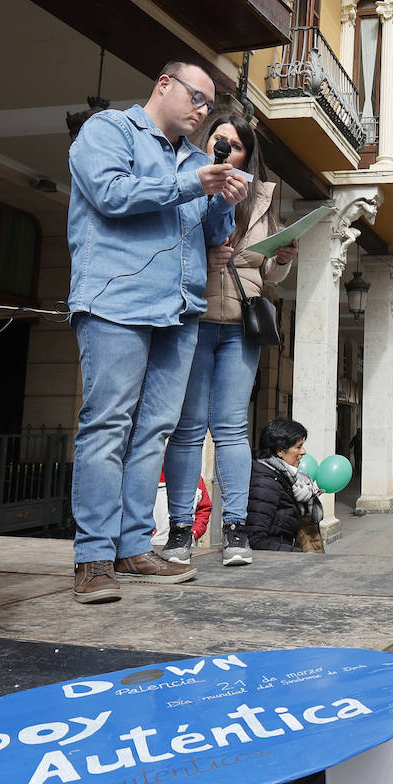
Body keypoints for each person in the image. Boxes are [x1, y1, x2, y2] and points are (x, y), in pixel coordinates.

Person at [66, 60, 247, 603]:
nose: (202, 111)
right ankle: (94, 558)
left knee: (154, 432)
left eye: (209, 107)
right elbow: (111, 194)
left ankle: (133, 546)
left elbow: (213, 238)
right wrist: (193, 183)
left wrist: (223, 202)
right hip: (116, 300)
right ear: (163, 84)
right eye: (197, 97)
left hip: (180, 309)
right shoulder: (109, 131)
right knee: (108, 425)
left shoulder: (197, 160)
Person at [162, 111, 298, 568]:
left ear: (246, 155)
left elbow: (270, 276)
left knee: (231, 427)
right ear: (206, 143)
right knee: (186, 428)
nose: (225, 148)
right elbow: (167, 240)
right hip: (195, 318)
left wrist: (281, 258)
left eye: (235, 145)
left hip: (242, 324)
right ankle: (180, 530)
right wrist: (203, 254)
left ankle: (235, 529)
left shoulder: (262, 200)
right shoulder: (187, 180)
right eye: (218, 139)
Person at [246, 418, 323, 552]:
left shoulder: (288, 479)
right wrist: (296, 554)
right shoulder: (265, 483)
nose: (303, 451)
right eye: (298, 447)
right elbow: (255, 540)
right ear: (280, 451)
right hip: (277, 564)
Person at [152, 473, 211, 560]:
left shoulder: (195, 478)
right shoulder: (149, 476)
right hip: (153, 546)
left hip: (185, 546)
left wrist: (194, 533)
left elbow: (204, 510)